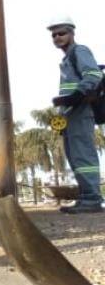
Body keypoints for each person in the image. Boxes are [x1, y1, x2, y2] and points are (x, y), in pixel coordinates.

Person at [47, 16, 102, 213]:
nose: (57, 37)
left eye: (61, 33)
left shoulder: (80, 51)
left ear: (72, 33)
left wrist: (75, 96)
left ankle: (93, 199)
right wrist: (63, 102)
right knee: (75, 156)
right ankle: (86, 197)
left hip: (80, 111)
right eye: (54, 35)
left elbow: (94, 75)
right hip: (71, 114)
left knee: (84, 155)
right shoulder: (67, 58)